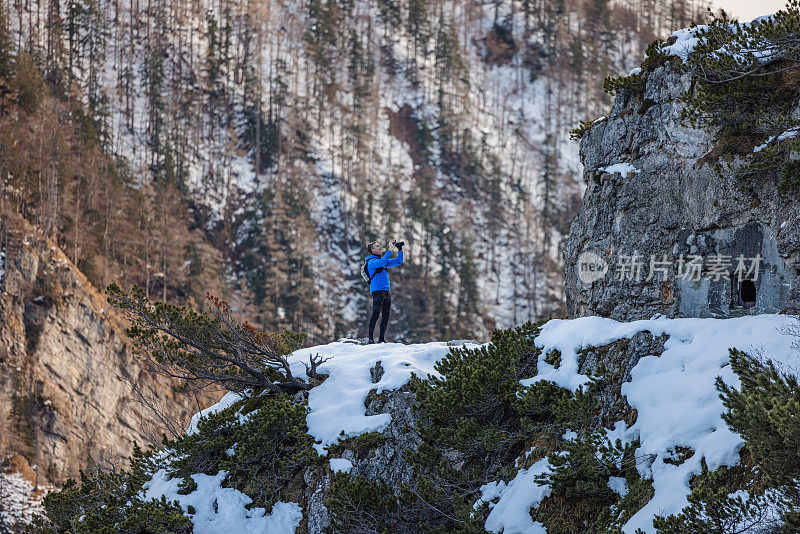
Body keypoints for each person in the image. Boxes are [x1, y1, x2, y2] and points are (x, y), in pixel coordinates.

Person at [364, 240, 404, 343]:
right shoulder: (371, 262)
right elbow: (381, 263)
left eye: (380, 245)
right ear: (372, 250)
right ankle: (371, 339)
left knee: (386, 315)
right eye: (378, 246)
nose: (380, 247)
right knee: (376, 314)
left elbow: (398, 261)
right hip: (377, 291)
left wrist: (399, 249)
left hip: (386, 291)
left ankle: (381, 339)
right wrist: (390, 249)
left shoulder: (383, 261)